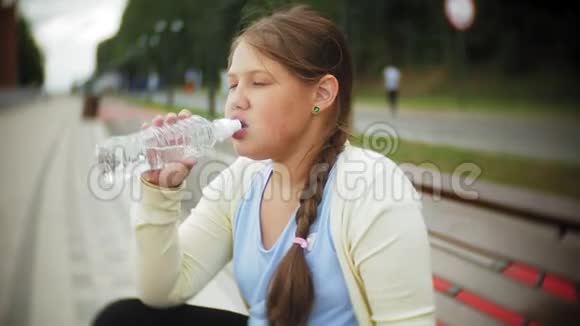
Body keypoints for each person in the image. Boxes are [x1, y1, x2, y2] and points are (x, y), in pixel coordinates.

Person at [93, 5, 434, 326]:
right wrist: (160, 192)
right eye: (233, 84)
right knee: (122, 319)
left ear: (322, 95)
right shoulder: (241, 180)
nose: (236, 100)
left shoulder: (371, 187)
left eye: (258, 83)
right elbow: (162, 291)